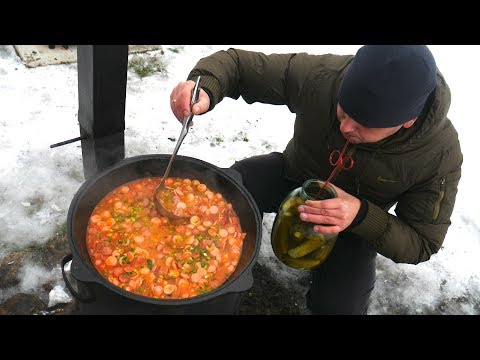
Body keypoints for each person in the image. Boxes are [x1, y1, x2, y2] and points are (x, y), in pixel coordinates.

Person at [169, 45, 463, 315]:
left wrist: (360, 215)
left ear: (407, 121)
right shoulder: (324, 77)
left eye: (364, 125)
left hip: (353, 226)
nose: (346, 127)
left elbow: (422, 241)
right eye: (343, 111)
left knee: (338, 308)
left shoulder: (439, 155)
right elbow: (238, 65)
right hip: (294, 175)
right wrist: (204, 85)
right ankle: (202, 272)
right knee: (231, 187)